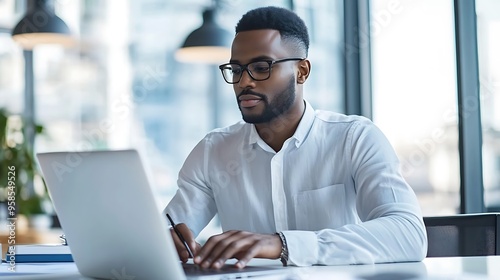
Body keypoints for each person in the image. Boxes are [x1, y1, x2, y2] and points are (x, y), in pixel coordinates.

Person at [163, 6, 427, 269]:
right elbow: (168, 229)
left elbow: (408, 234)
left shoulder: (354, 138)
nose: (244, 82)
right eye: (236, 69)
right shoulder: (214, 150)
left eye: (261, 67)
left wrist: (282, 244)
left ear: (302, 71)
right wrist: (166, 240)